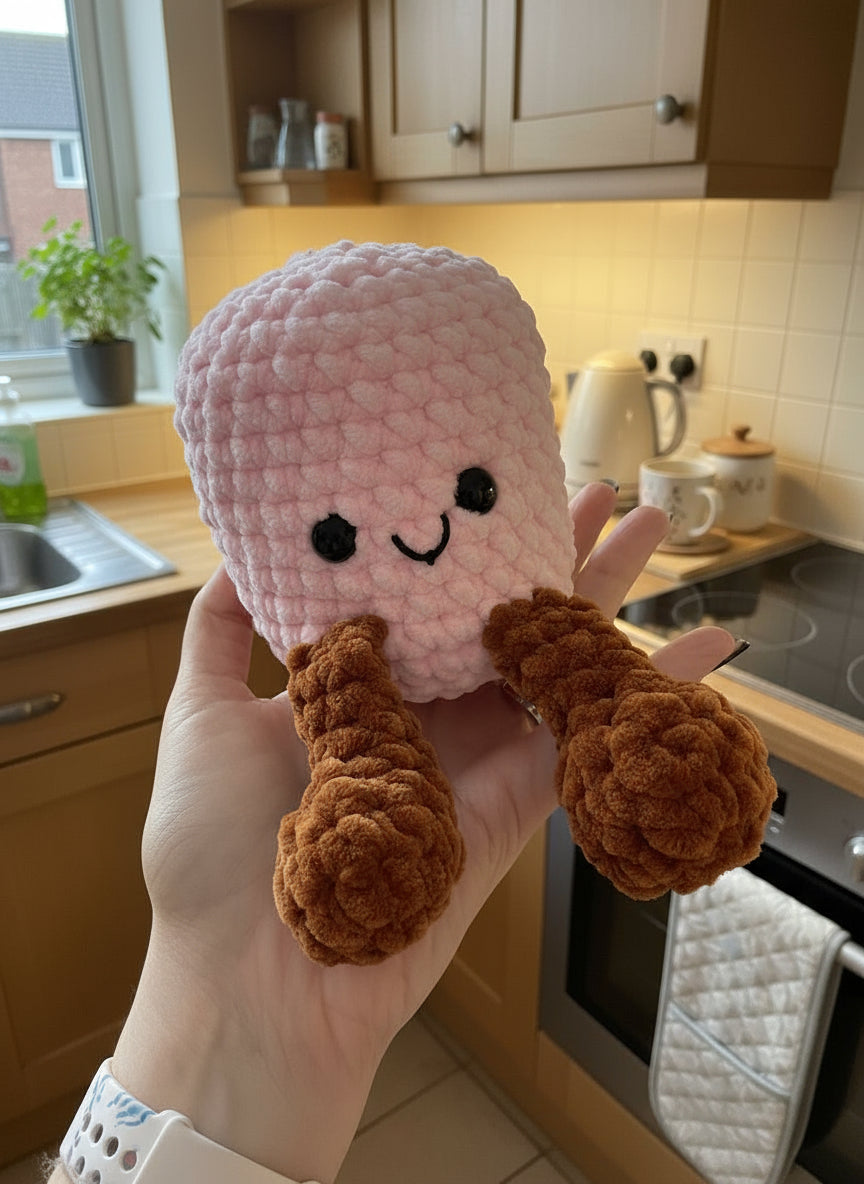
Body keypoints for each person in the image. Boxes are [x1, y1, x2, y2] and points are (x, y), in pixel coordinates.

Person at [47, 485, 739, 1184]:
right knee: (363, 776)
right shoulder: (328, 656)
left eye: (476, 491)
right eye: (333, 538)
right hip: (362, 684)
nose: (424, 529)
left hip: (504, 624)